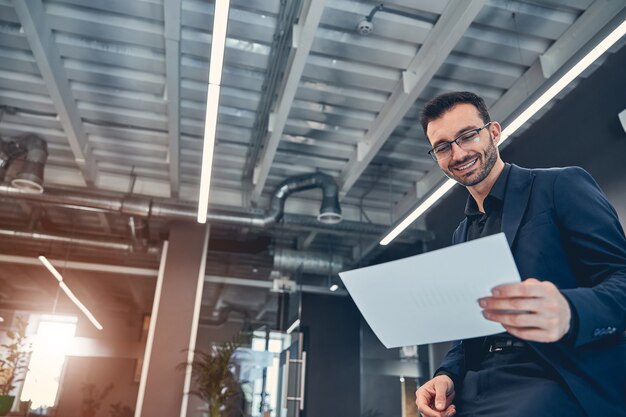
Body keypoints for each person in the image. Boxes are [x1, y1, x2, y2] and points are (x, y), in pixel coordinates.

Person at [414, 91, 626, 417]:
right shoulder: (461, 235)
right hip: (479, 381)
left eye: (467, 135)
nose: (457, 153)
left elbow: (621, 277)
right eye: (443, 147)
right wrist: (446, 375)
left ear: (494, 132)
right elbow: (469, 330)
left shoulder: (560, 186)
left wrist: (570, 311)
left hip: (557, 373)